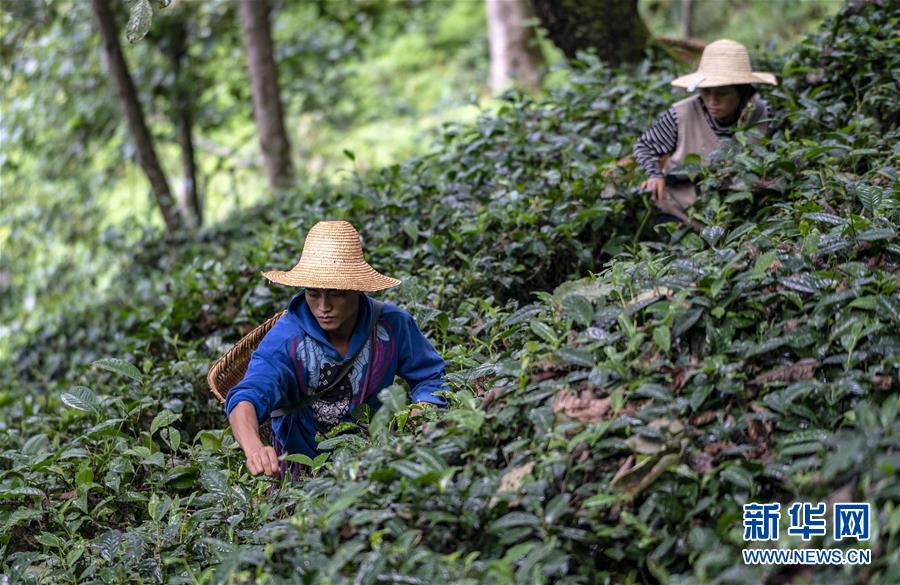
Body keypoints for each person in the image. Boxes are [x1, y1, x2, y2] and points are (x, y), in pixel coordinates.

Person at [225, 220, 447, 478]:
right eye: (313, 293)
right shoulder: (286, 340)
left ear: (356, 288)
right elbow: (246, 397)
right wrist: (254, 449)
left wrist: (425, 408)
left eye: (336, 294)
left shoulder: (393, 325)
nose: (323, 306)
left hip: (377, 460)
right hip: (304, 472)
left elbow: (430, 375)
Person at [633, 39, 777, 229]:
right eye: (706, 91)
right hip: (680, 209)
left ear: (742, 91)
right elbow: (645, 146)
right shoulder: (680, 115)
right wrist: (654, 175)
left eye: (722, 93)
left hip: (738, 214)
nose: (712, 101)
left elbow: (774, 157)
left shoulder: (762, 115)